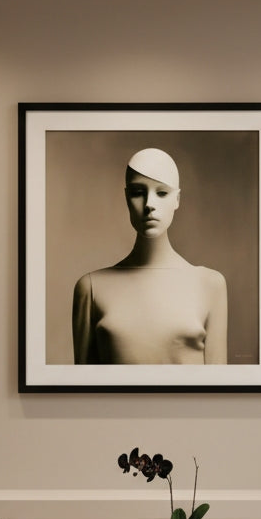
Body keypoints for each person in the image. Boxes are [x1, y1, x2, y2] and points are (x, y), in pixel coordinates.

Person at [72, 148, 228, 365]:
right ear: (127, 198)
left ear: (177, 199)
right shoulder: (91, 287)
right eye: (138, 192)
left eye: (162, 193)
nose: (149, 205)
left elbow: (219, 387)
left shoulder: (211, 284)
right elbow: (81, 391)